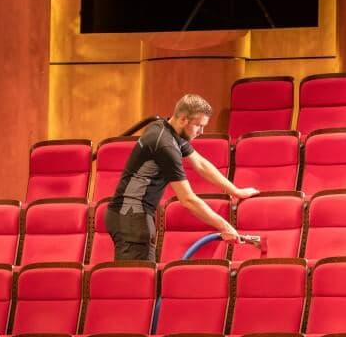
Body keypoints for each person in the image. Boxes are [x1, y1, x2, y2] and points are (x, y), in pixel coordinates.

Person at [105, 93, 258, 261]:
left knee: (142, 279)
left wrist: (236, 191)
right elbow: (188, 200)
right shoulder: (165, 146)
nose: (201, 132)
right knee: (137, 282)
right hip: (131, 218)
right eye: (198, 126)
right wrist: (225, 226)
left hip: (129, 216)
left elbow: (200, 164)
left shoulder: (164, 128)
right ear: (184, 119)